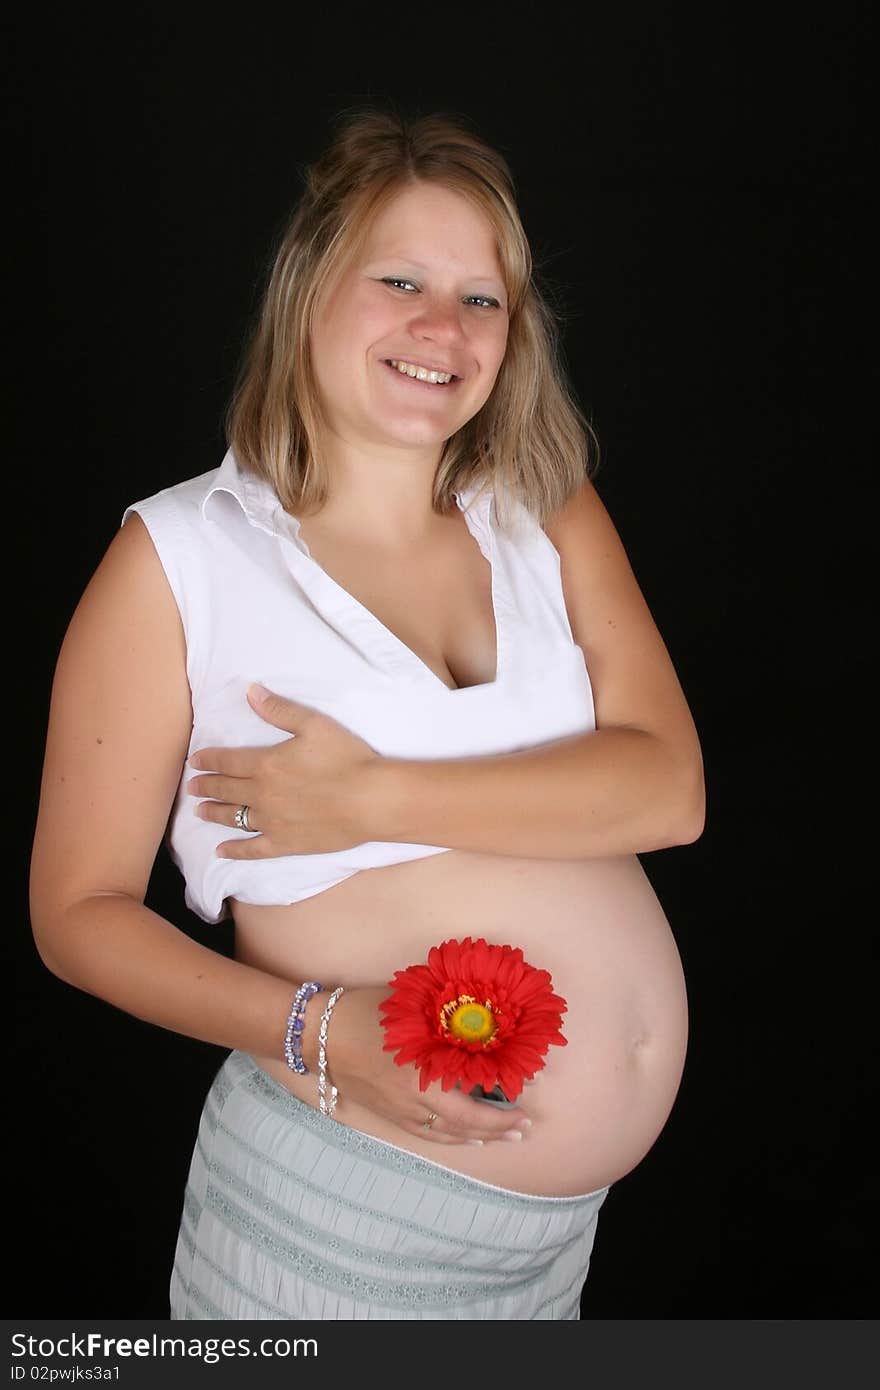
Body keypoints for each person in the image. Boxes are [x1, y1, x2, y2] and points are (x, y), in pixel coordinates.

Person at [29, 108, 704, 1321]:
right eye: (398, 280)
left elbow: (668, 792)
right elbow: (75, 916)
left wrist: (371, 796)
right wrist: (311, 1030)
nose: (441, 328)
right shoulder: (179, 557)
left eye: (480, 298)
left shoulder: (543, 505)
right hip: (337, 1203)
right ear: (308, 291)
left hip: (551, 1239)